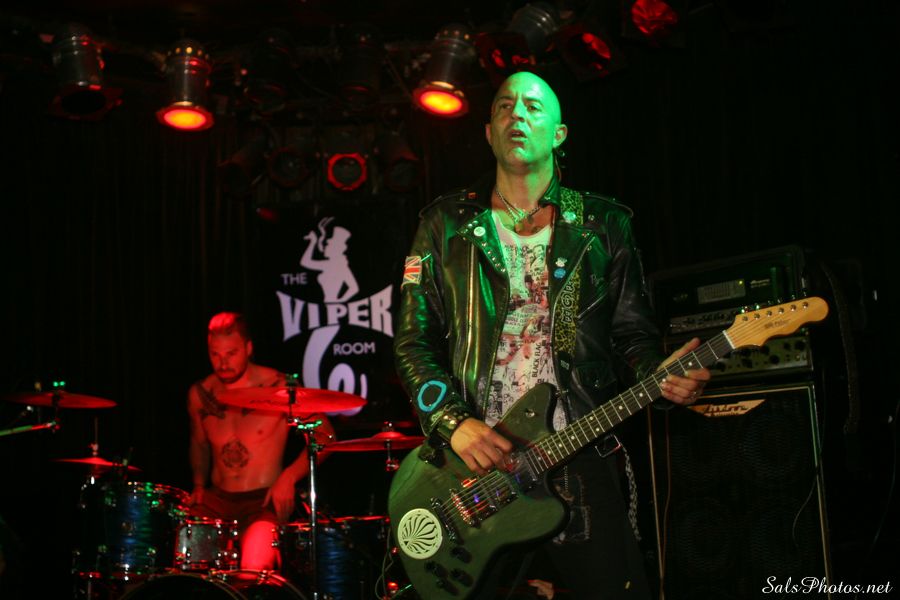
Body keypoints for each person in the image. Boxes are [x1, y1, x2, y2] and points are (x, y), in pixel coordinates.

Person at [393, 71, 711, 599]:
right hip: (475, 466)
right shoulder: (444, 224)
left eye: (532, 107)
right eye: (503, 107)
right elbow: (412, 343)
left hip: (577, 452)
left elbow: (632, 335)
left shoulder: (605, 223)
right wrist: (453, 422)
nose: (516, 115)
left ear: (559, 134)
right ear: (488, 133)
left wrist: (660, 376)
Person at [187, 311, 336, 571]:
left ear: (248, 348)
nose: (223, 362)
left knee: (255, 565)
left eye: (231, 353)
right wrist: (199, 483)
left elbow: (325, 437)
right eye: (215, 354)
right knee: (191, 566)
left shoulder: (279, 386)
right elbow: (199, 443)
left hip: (262, 500)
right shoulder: (201, 393)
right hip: (217, 501)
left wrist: (289, 477)